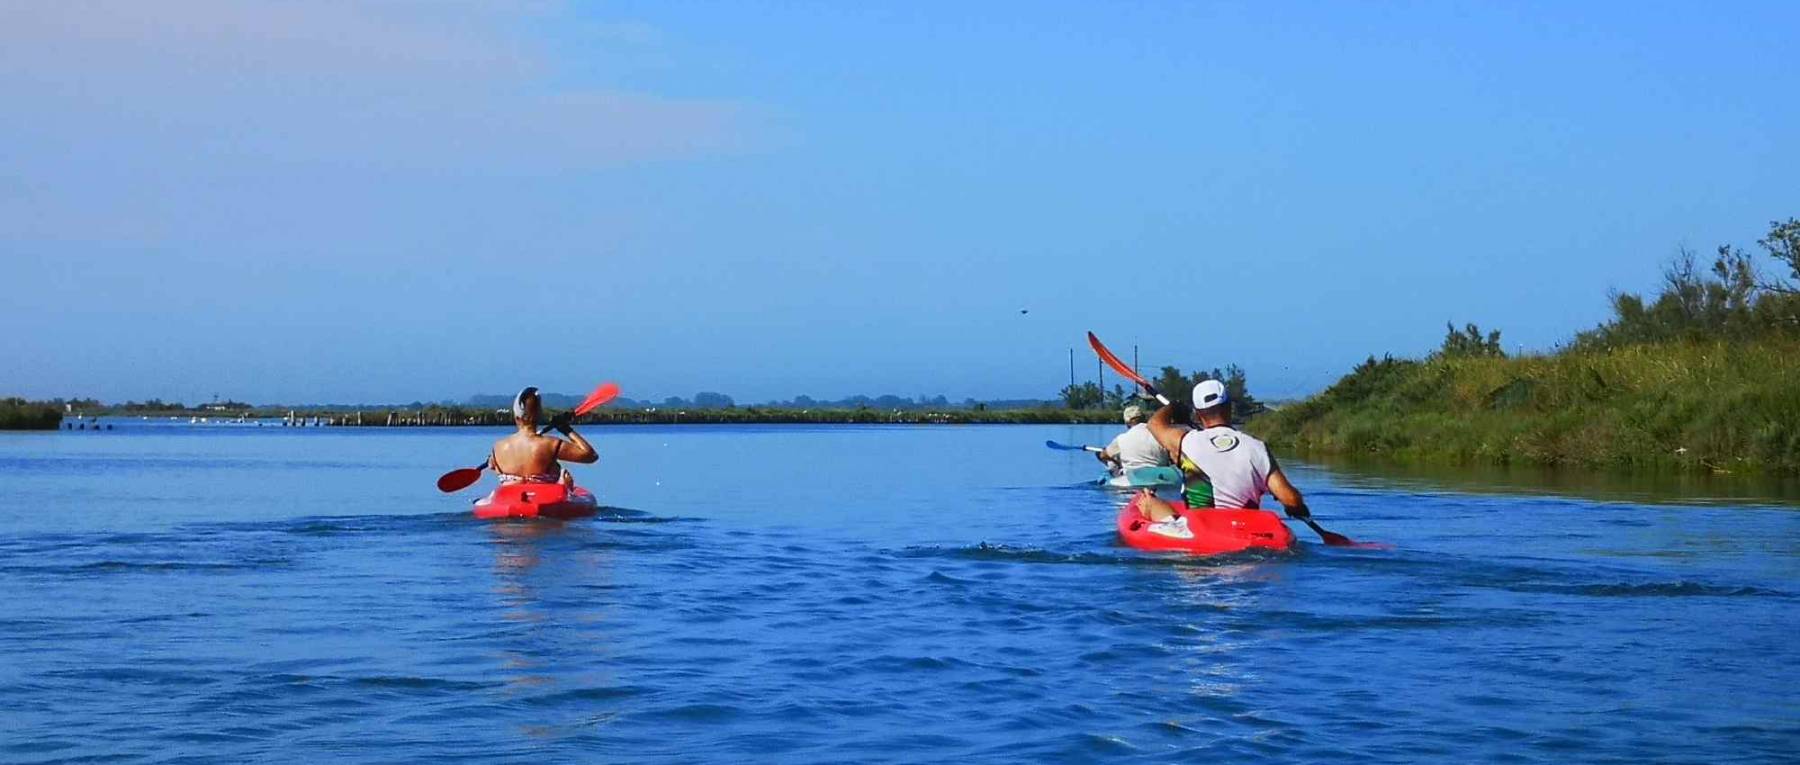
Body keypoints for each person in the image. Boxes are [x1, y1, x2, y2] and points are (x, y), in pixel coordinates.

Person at [1135, 379, 1310, 538]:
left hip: (1199, 530)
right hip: (1245, 533)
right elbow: (1291, 499)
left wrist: (1174, 408)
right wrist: (1296, 509)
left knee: (1149, 500)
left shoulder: (1184, 442)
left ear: (1197, 414)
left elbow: (1154, 424)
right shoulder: (1257, 447)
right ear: (1229, 407)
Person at [489, 386, 597, 487]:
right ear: (539, 414)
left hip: (511, 498)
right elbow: (590, 455)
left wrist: (495, 460)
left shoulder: (498, 447)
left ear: (516, 417)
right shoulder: (551, 444)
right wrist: (566, 429)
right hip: (544, 498)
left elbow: (491, 466)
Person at [1096, 402, 1172, 475]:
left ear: (1127, 422)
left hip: (1133, 478)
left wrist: (1118, 463)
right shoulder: (1160, 434)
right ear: (1145, 418)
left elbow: (1103, 456)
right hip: (1160, 475)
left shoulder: (1121, 439)